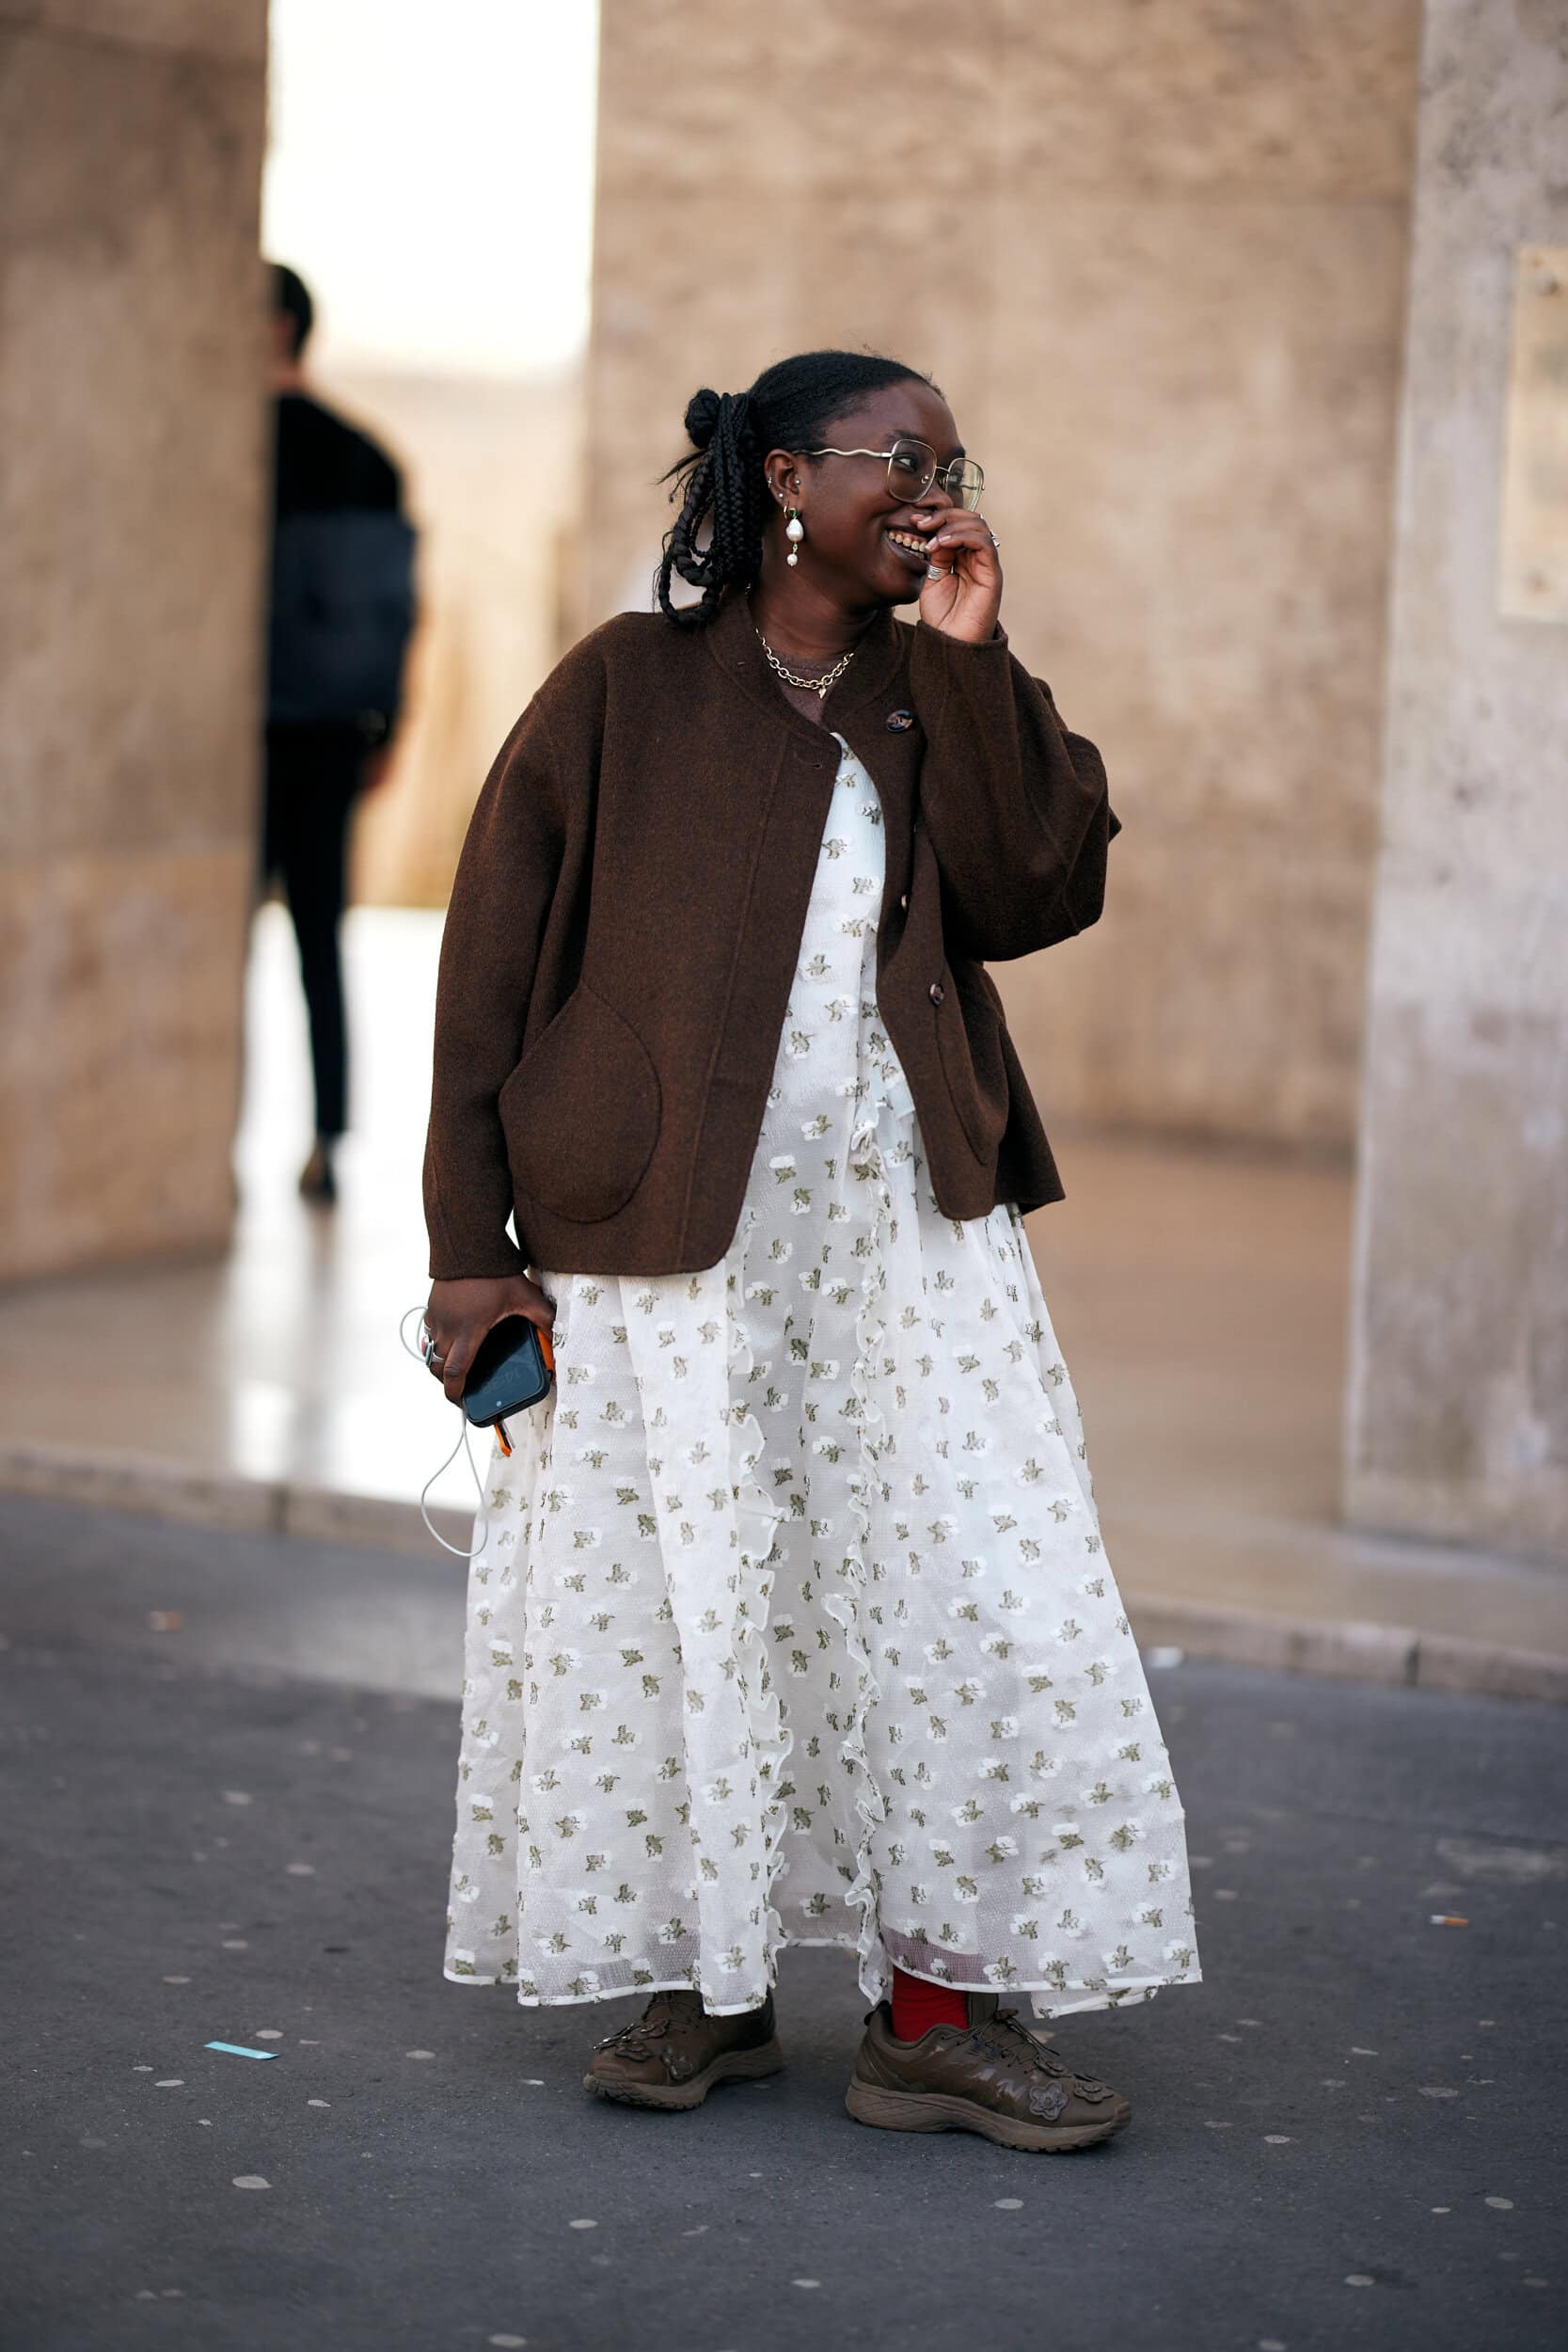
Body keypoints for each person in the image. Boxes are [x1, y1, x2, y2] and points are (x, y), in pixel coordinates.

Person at [420, 350, 1202, 2153]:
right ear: (784, 474)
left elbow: (1036, 887)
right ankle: (703, 1979)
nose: (935, 487)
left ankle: (933, 2010)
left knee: (966, 1598)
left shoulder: (940, 689)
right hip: (665, 1252)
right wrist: (474, 1256)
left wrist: (977, 653)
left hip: (906, 1245)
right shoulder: (624, 688)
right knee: (694, 1598)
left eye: (952, 460)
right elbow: (484, 973)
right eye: (896, 458)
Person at [261, 262, 416, 1204]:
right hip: (330, 730)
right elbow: (399, 612)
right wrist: (389, 726)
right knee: (320, 936)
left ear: (276, 327)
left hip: (254, 730)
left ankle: (232, 1147)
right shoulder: (367, 456)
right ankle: (325, 1137)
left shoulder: (217, 451)